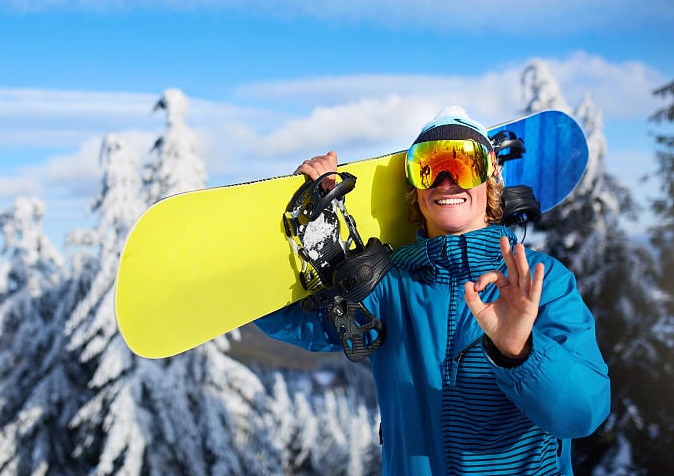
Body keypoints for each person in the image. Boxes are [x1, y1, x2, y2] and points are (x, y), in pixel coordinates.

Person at [255, 108, 610, 475]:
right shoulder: (386, 286)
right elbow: (285, 318)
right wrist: (302, 224)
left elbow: (583, 413)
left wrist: (520, 352)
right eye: (428, 167)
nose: (445, 181)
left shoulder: (540, 280)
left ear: (490, 179)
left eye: (463, 165)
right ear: (416, 191)